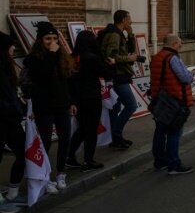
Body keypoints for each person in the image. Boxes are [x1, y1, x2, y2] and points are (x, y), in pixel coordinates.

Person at [24, 22, 76, 192]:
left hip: (61, 105)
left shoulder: (62, 57)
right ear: (40, 40)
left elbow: (67, 81)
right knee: (45, 142)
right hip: (44, 106)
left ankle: (61, 173)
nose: (52, 42)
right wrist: (52, 54)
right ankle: (44, 177)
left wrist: (71, 102)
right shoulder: (32, 59)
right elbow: (44, 72)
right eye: (48, 38)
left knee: (65, 139)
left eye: (54, 38)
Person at [67, 30, 115, 171]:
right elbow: (107, 74)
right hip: (91, 97)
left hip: (76, 99)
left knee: (82, 128)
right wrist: (111, 64)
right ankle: (88, 161)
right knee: (91, 130)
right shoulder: (92, 57)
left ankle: (70, 157)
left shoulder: (72, 57)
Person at [149, 34, 194, 175]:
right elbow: (184, 77)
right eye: (180, 44)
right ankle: (174, 164)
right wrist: (192, 75)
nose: (181, 46)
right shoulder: (173, 58)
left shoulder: (157, 57)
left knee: (160, 132)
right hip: (174, 100)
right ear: (174, 43)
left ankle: (159, 161)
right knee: (174, 132)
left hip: (159, 100)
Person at [99, 10, 138, 148]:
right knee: (131, 105)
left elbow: (130, 51)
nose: (131, 20)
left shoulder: (120, 33)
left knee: (115, 108)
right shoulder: (114, 35)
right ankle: (116, 134)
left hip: (119, 74)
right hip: (117, 76)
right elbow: (111, 57)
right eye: (129, 18)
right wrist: (130, 58)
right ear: (123, 20)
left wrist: (131, 34)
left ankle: (115, 138)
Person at [0, 32, 24, 213]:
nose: (14, 48)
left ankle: (13, 189)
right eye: (11, 45)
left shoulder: (6, 66)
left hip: (11, 119)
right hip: (4, 118)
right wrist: (12, 108)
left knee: (22, 151)